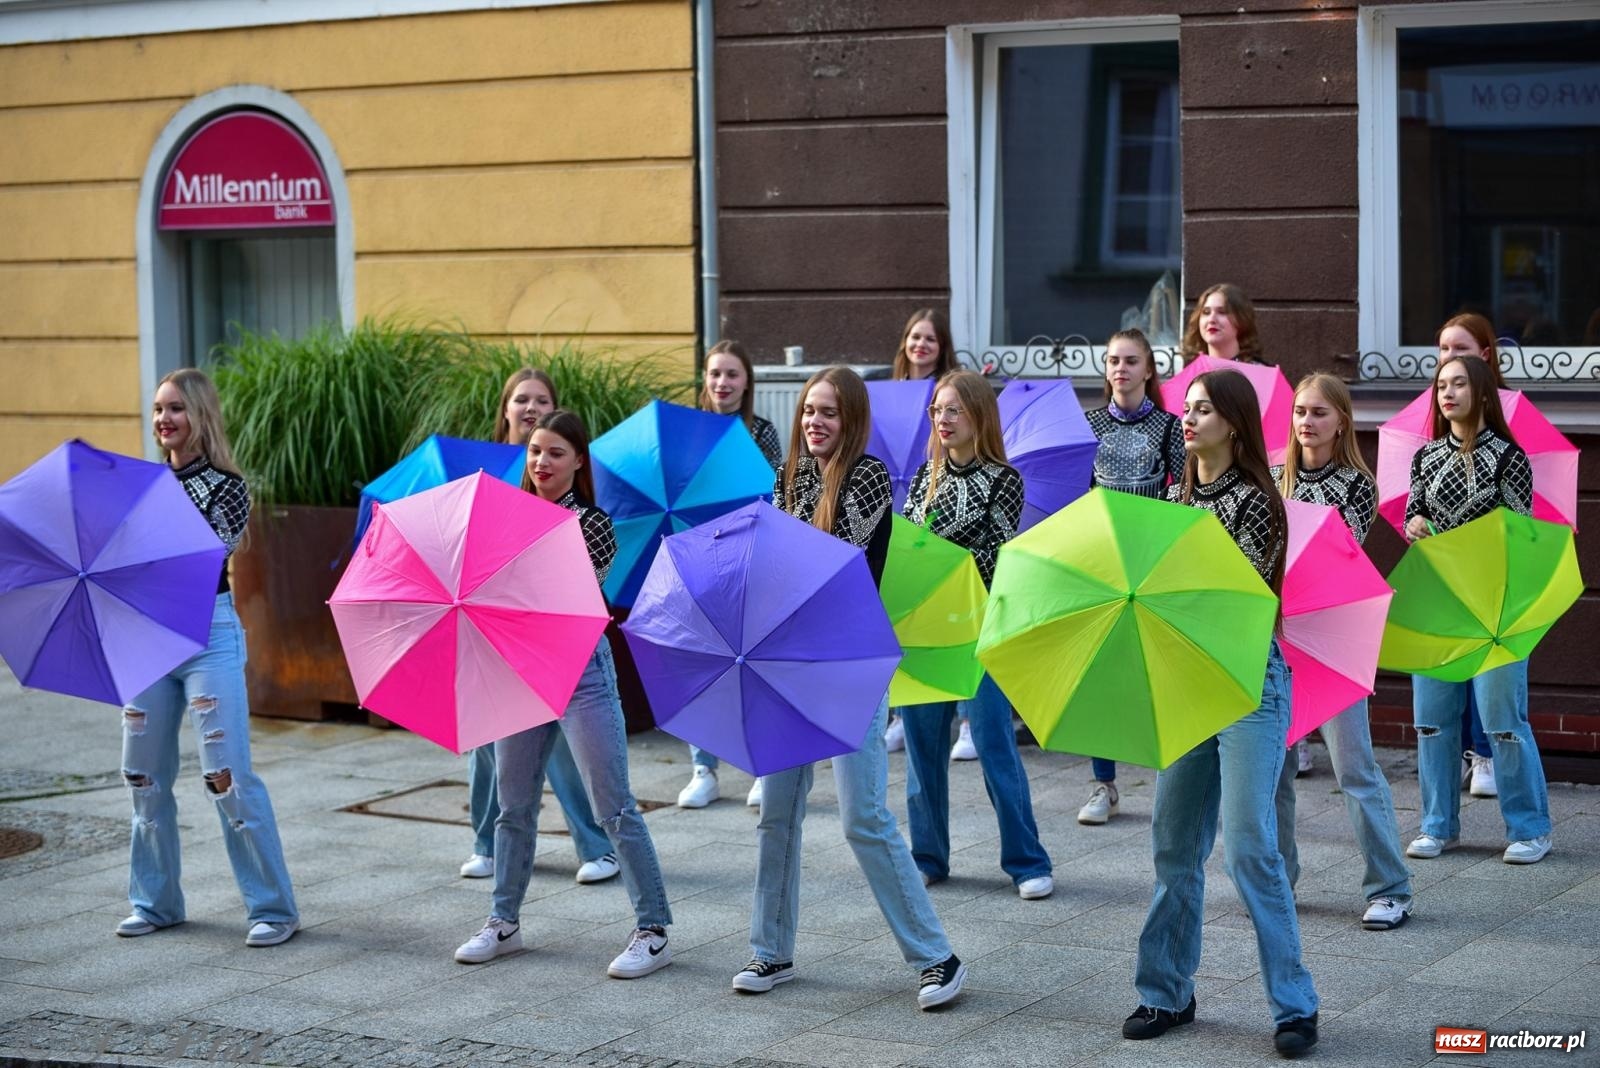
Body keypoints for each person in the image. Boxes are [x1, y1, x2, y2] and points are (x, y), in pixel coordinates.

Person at [733, 366, 968, 1010]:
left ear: (852, 420)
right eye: (809, 410)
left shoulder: (863, 478)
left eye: (829, 412)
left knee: (863, 817)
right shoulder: (789, 478)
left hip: (850, 662)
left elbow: (824, 562)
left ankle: (936, 957)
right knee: (778, 811)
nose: (815, 422)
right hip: (789, 664)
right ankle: (771, 949)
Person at [1126, 370, 1319, 1058]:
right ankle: (1165, 993)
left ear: (1233, 424)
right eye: (1187, 408)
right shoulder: (1176, 496)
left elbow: (1233, 598)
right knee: (1174, 845)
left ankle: (1295, 1006)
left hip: (1246, 683)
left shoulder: (1257, 503)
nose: (1188, 417)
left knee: (1247, 848)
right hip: (1188, 683)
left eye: (1203, 410)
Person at [455, 410, 674, 976]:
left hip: (580, 672)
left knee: (614, 806)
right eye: (534, 451)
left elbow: (564, 597)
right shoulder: (506, 516)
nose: (541, 462)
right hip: (519, 672)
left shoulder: (592, 523)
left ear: (578, 462)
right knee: (513, 806)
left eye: (555, 453)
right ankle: (503, 921)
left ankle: (652, 928)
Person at [120, 368, 299, 946]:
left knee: (227, 777)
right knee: (143, 777)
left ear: (200, 416)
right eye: (157, 409)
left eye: (175, 409)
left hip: (207, 634)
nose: (163, 420)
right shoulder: (142, 485)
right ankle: (155, 902)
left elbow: (203, 555)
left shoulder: (226, 486)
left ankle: (272, 908)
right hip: (146, 637)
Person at [460, 367, 619, 887]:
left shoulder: (581, 513)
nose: (530, 407)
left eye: (541, 399)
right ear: (504, 407)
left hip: (556, 648)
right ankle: (486, 846)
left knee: (568, 756)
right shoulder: (488, 472)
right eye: (521, 399)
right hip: (496, 634)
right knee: (491, 751)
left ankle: (594, 844)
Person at [899, 370, 1052, 898]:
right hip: (926, 628)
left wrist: (936, 547)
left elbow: (993, 556)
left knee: (992, 742)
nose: (943, 419)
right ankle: (927, 855)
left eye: (953, 410)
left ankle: (1028, 861)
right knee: (921, 747)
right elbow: (909, 549)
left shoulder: (1003, 479)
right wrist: (936, 550)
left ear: (978, 416)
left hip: (980, 625)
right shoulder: (924, 477)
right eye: (937, 411)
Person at [1272, 374, 1415, 931]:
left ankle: (1390, 888)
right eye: (1301, 412)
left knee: (1354, 766)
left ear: (1341, 422)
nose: (1306, 422)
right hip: (1277, 634)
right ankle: (1279, 880)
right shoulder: (1271, 477)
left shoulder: (1356, 484)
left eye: (1320, 413)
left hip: (1332, 636)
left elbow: (1338, 551)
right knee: (1274, 771)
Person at [1403, 355, 1551, 865]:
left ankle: (1530, 828)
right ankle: (1438, 825)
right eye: (1441, 385)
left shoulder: (1510, 458)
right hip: (1438, 603)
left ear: (1482, 392)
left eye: (1459, 383)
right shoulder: (1424, 457)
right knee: (1432, 720)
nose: (1447, 392)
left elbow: (1521, 534)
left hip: (1495, 606)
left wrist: (1475, 545)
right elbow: (1411, 516)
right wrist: (1416, 525)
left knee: (1502, 720)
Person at [1079, 328, 1184, 824]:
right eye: (1113, 360)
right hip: (1103, 560)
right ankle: (1104, 784)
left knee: (1156, 669)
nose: (1120, 368)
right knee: (1103, 672)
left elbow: (1185, 493)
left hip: (1151, 558)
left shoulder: (1169, 426)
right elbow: (1078, 496)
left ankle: (1170, 774)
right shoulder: (1089, 423)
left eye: (1131, 360)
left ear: (1148, 370)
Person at [677, 340, 783, 811]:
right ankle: (704, 767)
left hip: (745, 559)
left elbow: (773, 494)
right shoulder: (686, 430)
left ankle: (761, 765)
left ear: (747, 382)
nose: (722, 382)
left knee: (750, 666)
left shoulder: (761, 432)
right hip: (694, 561)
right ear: (705, 378)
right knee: (700, 668)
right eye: (715, 373)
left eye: (732, 374)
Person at [1435, 312, 1507, 798]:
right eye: (1442, 351)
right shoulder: (1434, 429)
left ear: (1483, 355)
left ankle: (1486, 753)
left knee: (1488, 665)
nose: (1448, 361)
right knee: (1448, 667)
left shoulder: (1508, 431)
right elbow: (1418, 499)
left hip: (1489, 571)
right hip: (1445, 568)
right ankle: (1462, 752)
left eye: (1459, 350)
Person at [884, 309, 957, 755]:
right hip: (894, 496)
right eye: (915, 336)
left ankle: (962, 719)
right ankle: (899, 711)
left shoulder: (947, 396)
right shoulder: (886, 396)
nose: (921, 345)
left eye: (930, 338)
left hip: (935, 495)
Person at [1180, 283, 1268, 365]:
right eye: (1206, 312)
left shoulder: (1259, 374)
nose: (1211, 319)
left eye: (1222, 312)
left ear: (1241, 319)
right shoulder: (1191, 375)